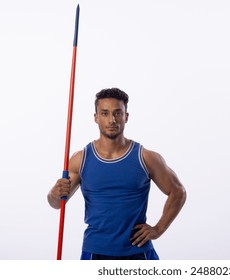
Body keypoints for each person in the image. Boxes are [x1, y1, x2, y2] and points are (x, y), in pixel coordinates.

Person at [47, 87, 186, 260]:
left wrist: (158, 229)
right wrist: (54, 193)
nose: (112, 120)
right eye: (104, 113)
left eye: (117, 113)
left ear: (126, 116)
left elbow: (178, 191)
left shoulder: (146, 158)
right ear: (96, 117)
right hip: (95, 251)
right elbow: (57, 204)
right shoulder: (80, 159)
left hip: (138, 251)